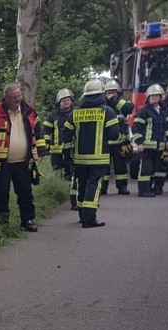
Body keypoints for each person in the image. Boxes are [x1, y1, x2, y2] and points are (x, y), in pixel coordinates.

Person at [0, 83, 46, 232]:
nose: (17, 100)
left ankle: (27, 220)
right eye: (13, 97)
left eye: (19, 96)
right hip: (1, 164)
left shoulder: (29, 111)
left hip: (24, 162)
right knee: (1, 195)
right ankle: (1, 224)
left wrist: (41, 150)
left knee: (26, 193)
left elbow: (38, 132)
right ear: (5, 98)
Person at [61, 79, 120, 228]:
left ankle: (82, 215)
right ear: (101, 95)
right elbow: (114, 135)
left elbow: (66, 135)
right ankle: (89, 219)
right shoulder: (107, 112)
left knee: (82, 184)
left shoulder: (75, 113)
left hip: (79, 159)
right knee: (93, 186)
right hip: (99, 158)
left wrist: (67, 154)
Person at [132, 83, 168, 197]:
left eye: (156, 95)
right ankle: (143, 191)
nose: (154, 97)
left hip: (160, 145)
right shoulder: (144, 111)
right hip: (147, 146)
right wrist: (139, 143)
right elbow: (136, 127)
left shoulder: (164, 111)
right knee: (146, 169)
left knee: (155, 168)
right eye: (152, 96)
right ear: (148, 97)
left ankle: (151, 188)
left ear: (161, 97)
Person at [43, 88, 77, 209]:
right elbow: (46, 131)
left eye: (68, 100)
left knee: (72, 174)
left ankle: (72, 197)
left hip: (72, 150)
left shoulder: (76, 113)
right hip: (56, 151)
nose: (66, 102)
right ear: (59, 102)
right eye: (63, 100)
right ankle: (60, 195)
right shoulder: (52, 116)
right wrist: (46, 144)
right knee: (58, 173)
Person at [102, 79, 133, 195]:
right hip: (105, 142)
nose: (111, 95)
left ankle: (122, 187)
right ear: (104, 94)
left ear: (118, 93)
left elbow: (129, 108)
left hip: (120, 142)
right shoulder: (102, 106)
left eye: (114, 92)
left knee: (121, 167)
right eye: (109, 92)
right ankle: (103, 188)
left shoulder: (122, 104)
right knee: (104, 167)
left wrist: (115, 101)